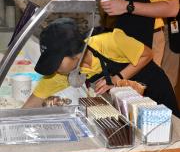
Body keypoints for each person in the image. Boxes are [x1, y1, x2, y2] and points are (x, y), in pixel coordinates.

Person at [23, 18, 180, 118]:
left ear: (74, 54)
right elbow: (32, 103)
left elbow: (147, 54)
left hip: (155, 91)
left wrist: (117, 77)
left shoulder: (109, 41)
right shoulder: (62, 73)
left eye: (56, 62)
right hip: (130, 106)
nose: (54, 69)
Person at [99, 0, 179, 86]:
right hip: (127, 36)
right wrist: (120, 2)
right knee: (123, 91)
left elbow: (172, 8)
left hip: (149, 36)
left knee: (144, 93)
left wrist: (127, 6)